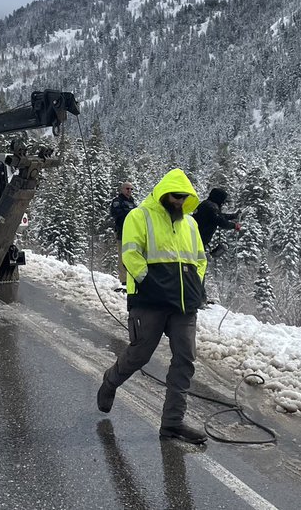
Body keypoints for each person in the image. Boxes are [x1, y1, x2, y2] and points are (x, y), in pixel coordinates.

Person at [98, 169, 208, 445]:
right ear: (163, 194)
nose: (180, 202)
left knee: (185, 359)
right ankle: (110, 381)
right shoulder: (140, 216)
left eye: (184, 198)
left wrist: (194, 283)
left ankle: (172, 423)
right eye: (175, 196)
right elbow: (130, 255)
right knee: (140, 355)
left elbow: (200, 259)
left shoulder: (190, 225)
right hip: (150, 301)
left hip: (183, 304)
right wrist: (151, 282)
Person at [193, 187, 241, 257]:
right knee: (198, 262)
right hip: (197, 241)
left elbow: (219, 216)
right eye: (223, 201)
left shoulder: (206, 204)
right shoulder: (211, 207)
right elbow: (221, 221)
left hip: (196, 239)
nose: (223, 203)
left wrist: (233, 216)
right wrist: (234, 226)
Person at [108, 181, 137, 290]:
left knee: (132, 255)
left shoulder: (133, 203)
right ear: (122, 189)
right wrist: (129, 214)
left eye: (131, 189)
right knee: (122, 256)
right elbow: (116, 214)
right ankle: (123, 280)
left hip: (133, 233)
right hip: (122, 232)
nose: (129, 191)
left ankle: (131, 279)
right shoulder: (117, 201)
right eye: (127, 189)